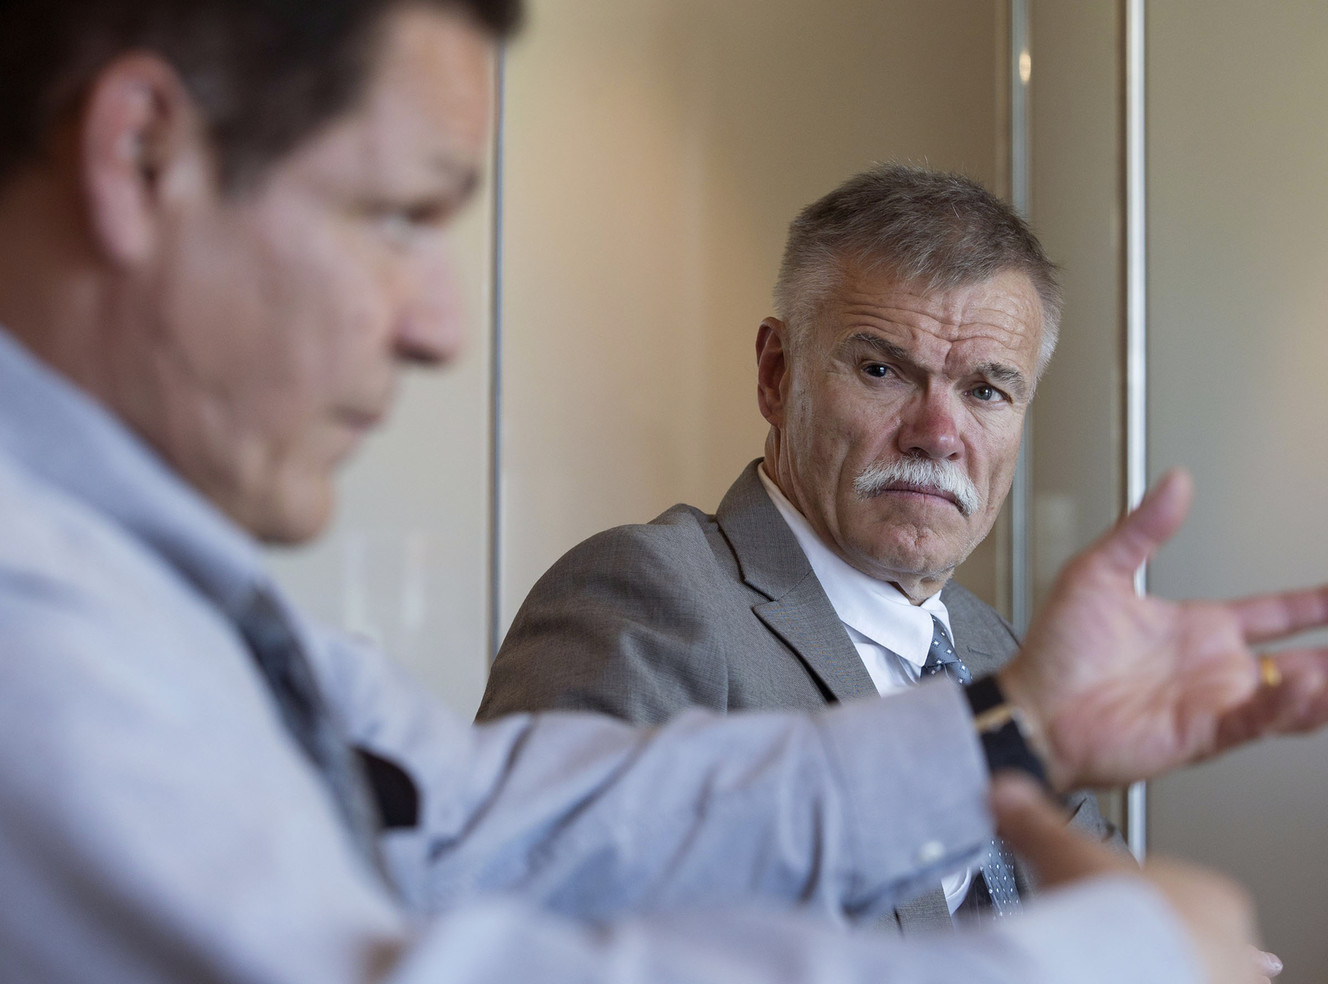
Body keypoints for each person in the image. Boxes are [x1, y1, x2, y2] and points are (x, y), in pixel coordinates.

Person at [1, 1, 1326, 982]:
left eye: (987, 392)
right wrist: (1105, 963)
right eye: (400, 216)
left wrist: (1021, 720)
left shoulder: (174, 594)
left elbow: (485, 822)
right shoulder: (35, 627)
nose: (439, 327)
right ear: (142, 158)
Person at [481, 164, 1102, 929]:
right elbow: (543, 940)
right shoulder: (645, 599)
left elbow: (1102, 912)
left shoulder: (994, 647)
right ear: (777, 376)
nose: (939, 435)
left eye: (985, 391)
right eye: (882, 370)